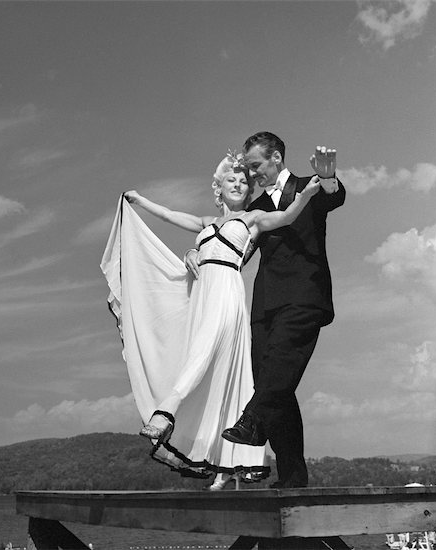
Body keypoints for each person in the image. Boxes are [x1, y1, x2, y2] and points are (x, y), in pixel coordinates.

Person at [101, 151, 320, 490]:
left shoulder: (253, 219)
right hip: (202, 294)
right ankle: (223, 462)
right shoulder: (206, 222)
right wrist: (141, 201)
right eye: (231, 180)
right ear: (219, 188)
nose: (238, 184)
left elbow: (288, 217)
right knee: (208, 367)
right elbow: (171, 215)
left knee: (205, 351)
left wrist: (305, 194)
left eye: (243, 181)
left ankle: (167, 410)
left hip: (227, 292)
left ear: (248, 192)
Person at [187, 132, 345, 489]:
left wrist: (329, 179)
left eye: (256, 166)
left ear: (276, 158)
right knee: (276, 384)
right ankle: (292, 477)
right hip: (264, 306)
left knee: (278, 372)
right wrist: (197, 253)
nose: (253, 174)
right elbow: (233, 246)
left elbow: (335, 198)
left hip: (304, 298)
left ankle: (251, 421)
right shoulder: (256, 209)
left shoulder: (309, 187)